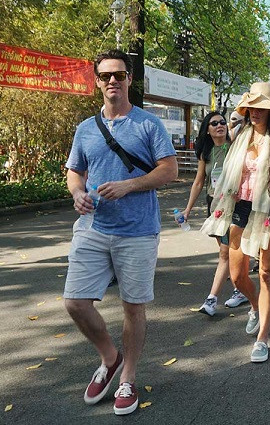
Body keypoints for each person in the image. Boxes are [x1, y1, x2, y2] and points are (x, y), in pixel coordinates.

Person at [64, 49, 178, 416]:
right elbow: (75, 172)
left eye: (119, 75)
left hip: (137, 231)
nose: (112, 80)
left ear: (129, 79)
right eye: (105, 75)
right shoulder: (85, 128)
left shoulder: (149, 124)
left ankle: (127, 376)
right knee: (75, 302)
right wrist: (78, 193)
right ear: (97, 82)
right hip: (93, 227)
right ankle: (110, 358)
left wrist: (129, 185)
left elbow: (169, 170)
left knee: (133, 306)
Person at [200, 82, 270, 362]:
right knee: (237, 275)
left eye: (260, 108)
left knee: (266, 273)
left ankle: (263, 339)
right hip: (241, 207)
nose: (254, 112)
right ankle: (256, 307)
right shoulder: (241, 135)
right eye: (250, 108)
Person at [182, 111, 247, 316]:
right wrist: (188, 210)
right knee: (228, 252)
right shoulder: (206, 153)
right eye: (214, 123)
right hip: (214, 205)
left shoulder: (234, 145)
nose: (219, 125)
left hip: (233, 205)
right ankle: (240, 289)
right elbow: (199, 182)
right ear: (207, 130)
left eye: (222, 122)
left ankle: (211, 300)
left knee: (225, 254)